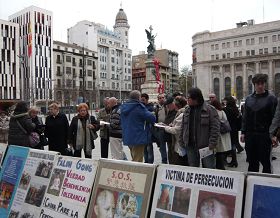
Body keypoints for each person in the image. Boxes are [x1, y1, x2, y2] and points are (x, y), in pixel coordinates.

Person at [241, 73, 277, 173]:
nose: (260, 86)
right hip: (250, 135)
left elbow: (275, 118)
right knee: (252, 162)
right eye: (258, 84)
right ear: (254, 85)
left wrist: (274, 135)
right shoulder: (248, 99)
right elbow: (245, 117)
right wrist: (243, 132)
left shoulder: (271, 98)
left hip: (264, 135)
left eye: (262, 83)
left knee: (266, 163)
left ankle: (267, 183)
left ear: (265, 84)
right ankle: (251, 184)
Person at [179, 88, 220, 169]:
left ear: (196, 99)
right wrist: (181, 141)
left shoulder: (210, 110)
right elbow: (183, 127)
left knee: (209, 169)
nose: (187, 100)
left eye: (189, 98)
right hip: (190, 146)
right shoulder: (187, 110)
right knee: (193, 169)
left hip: (206, 146)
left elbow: (215, 128)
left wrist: (212, 143)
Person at [121, 90, 156, 162]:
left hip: (128, 136)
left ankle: (133, 171)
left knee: (134, 156)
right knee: (138, 160)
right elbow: (152, 118)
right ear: (138, 98)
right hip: (138, 137)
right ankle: (136, 173)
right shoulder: (138, 107)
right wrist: (152, 113)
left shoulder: (124, 107)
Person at [161, 96, 188, 166]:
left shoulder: (181, 114)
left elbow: (176, 129)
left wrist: (166, 127)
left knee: (177, 159)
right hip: (173, 139)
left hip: (178, 140)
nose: (168, 107)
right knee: (173, 156)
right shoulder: (178, 112)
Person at [210, 99, 232, 170]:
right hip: (224, 133)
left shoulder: (216, 112)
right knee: (221, 151)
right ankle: (221, 165)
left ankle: (220, 166)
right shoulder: (222, 111)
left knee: (219, 151)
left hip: (220, 134)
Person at [223, 96, 242, 167]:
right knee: (233, 144)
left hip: (228, 129)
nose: (224, 102)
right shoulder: (236, 109)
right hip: (235, 129)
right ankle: (234, 161)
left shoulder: (226, 110)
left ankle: (232, 161)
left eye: (226, 101)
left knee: (228, 144)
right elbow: (240, 120)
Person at [161, 97, 178, 164]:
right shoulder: (170, 111)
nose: (168, 107)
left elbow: (174, 124)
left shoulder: (177, 112)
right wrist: (163, 124)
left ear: (172, 104)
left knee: (174, 155)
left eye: (168, 105)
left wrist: (165, 125)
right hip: (168, 136)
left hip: (174, 137)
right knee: (170, 154)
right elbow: (168, 121)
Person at [154, 93, 168, 163]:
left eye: (163, 97)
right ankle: (164, 160)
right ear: (158, 99)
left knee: (170, 145)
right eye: (160, 98)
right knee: (162, 146)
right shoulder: (156, 107)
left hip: (168, 128)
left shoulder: (167, 106)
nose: (161, 99)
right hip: (160, 129)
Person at [141, 93, 155, 163]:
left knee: (149, 149)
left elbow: (151, 119)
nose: (142, 101)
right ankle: (146, 163)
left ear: (147, 100)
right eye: (141, 100)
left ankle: (150, 163)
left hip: (148, 131)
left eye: (143, 100)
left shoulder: (151, 108)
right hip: (142, 132)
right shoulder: (140, 108)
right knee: (144, 150)